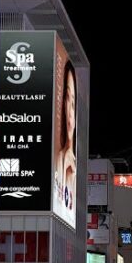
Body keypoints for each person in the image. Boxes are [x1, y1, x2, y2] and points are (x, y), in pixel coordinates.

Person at [55, 60, 78, 218]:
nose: (70, 111)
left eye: (73, 103)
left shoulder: (77, 168)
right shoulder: (58, 158)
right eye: (67, 98)